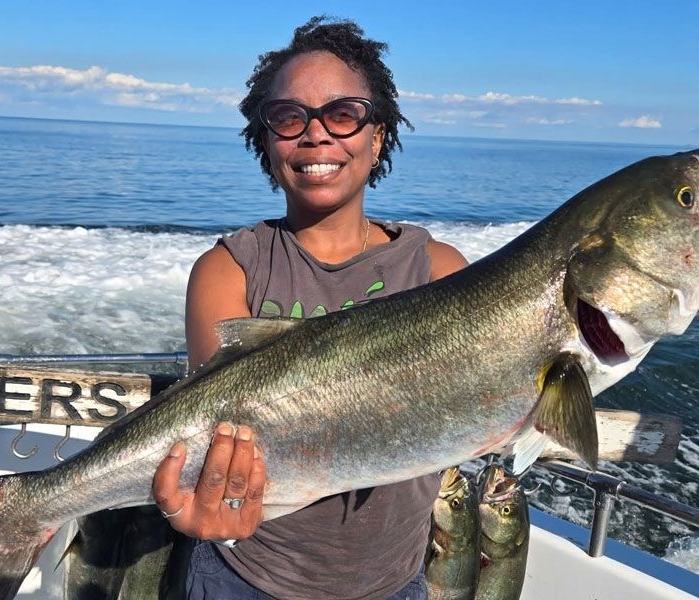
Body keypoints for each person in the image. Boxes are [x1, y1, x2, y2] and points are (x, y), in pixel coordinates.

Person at [152, 16, 468, 600]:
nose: (316, 135)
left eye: (342, 113)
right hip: (243, 576)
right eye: (289, 118)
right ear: (267, 142)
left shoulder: (440, 271)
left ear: (377, 136)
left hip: (394, 583)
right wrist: (202, 508)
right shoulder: (229, 269)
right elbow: (214, 430)